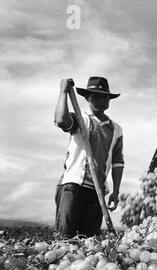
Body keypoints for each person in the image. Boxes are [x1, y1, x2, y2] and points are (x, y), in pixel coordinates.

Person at [53, 76, 124, 237]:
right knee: (65, 238)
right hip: (73, 187)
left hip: (97, 192)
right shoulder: (81, 119)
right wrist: (63, 91)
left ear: (109, 100)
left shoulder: (117, 129)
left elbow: (118, 162)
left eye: (104, 97)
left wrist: (116, 191)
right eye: (96, 96)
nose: (101, 100)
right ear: (87, 98)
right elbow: (60, 120)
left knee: (90, 243)